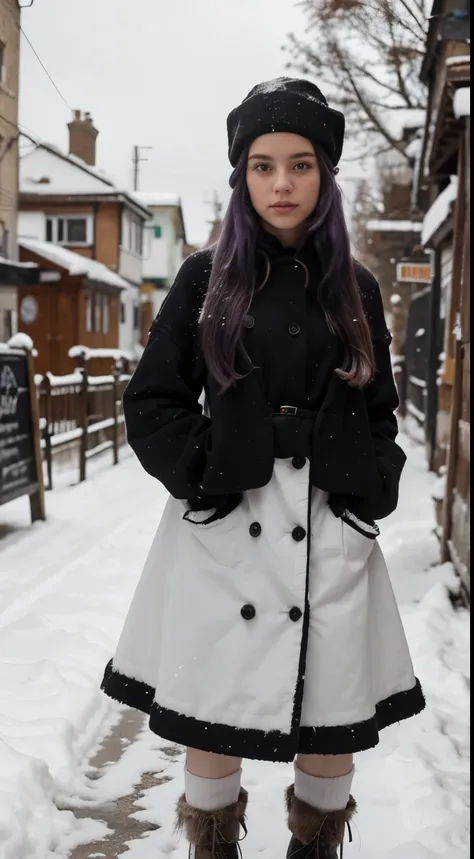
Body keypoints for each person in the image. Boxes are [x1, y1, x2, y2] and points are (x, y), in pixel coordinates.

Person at [101, 78, 425, 858]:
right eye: (263, 165)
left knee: (331, 727)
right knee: (214, 718)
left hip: (329, 523)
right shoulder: (205, 280)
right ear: (241, 177)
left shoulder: (358, 289)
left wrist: (370, 487)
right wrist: (211, 468)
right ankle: (213, 846)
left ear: (326, 175)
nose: (282, 183)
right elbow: (151, 402)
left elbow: (381, 407)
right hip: (223, 531)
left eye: (302, 164)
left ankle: (314, 849)